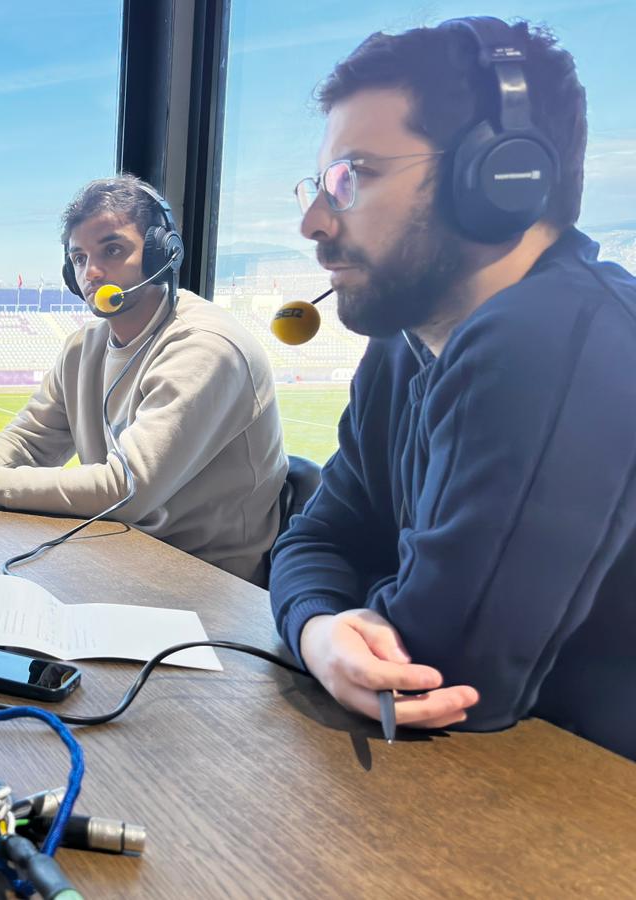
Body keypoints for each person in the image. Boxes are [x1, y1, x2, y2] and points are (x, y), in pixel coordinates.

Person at [269, 18, 636, 760]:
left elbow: (441, 669)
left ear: (499, 177)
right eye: (320, 183)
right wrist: (320, 629)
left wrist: (347, 614)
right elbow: (316, 535)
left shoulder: (558, 336)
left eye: (354, 176)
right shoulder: (404, 344)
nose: (313, 221)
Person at [0, 175, 287, 584]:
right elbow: (29, 441)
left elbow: (125, 491)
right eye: (79, 258)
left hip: (206, 584)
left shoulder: (206, 348)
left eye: (113, 249)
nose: (92, 271)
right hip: (119, 553)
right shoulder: (83, 347)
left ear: (163, 252)